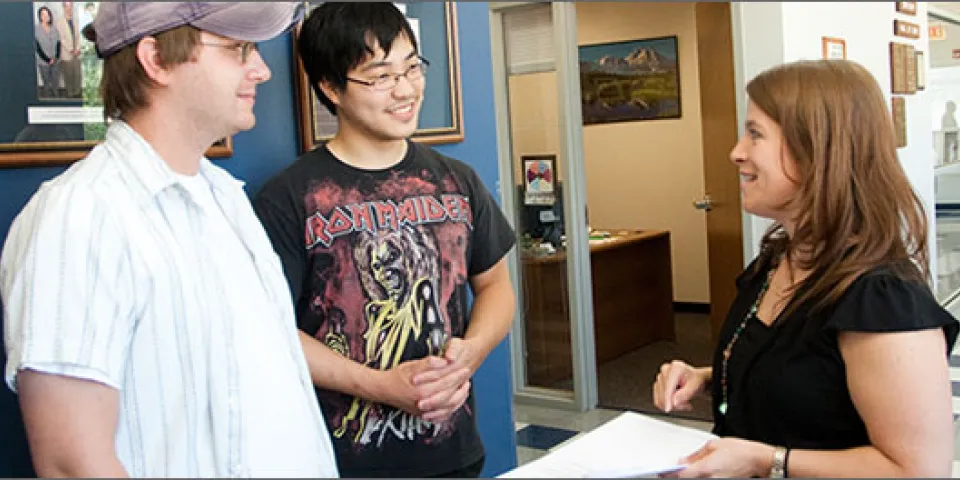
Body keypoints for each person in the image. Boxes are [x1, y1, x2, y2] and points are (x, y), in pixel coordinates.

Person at [1, 3, 339, 477]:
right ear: (155, 59)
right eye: (238, 50)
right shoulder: (80, 215)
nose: (261, 70)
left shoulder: (225, 198)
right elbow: (71, 464)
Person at [652, 59, 959, 478]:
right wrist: (710, 376)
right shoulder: (779, 259)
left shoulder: (882, 298)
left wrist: (766, 460)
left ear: (816, 149)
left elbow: (918, 471)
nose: (736, 152)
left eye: (755, 134)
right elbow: (808, 375)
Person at [253, 3, 517, 477]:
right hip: (339, 462)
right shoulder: (289, 198)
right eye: (379, 76)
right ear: (330, 87)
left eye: (412, 67)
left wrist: (471, 352)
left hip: (453, 452)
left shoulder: (458, 181)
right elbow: (269, 332)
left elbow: (496, 286)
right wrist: (380, 386)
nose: (405, 89)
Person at [55, 1, 82, 98]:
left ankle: (77, 94)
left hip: (77, 53)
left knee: (77, 74)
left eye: (70, 6)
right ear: (63, 7)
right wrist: (71, 49)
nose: (69, 8)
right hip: (67, 53)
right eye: (66, 6)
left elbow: (79, 36)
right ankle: (70, 95)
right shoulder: (59, 21)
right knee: (68, 75)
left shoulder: (75, 20)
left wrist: (78, 48)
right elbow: (61, 38)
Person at [35, 5, 61, 98]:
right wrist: (47, 59)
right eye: (43, 15)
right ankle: (48, 101)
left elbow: (58, 43)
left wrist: (56, 57)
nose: (45, 17)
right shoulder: (36, 29)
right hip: (43, 62)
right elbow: (37, 47)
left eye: (47, 15)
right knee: (47, 83)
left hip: (56, 60)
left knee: (55, 82)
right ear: (40, 16)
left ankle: (56, 99)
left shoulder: (54, 28)